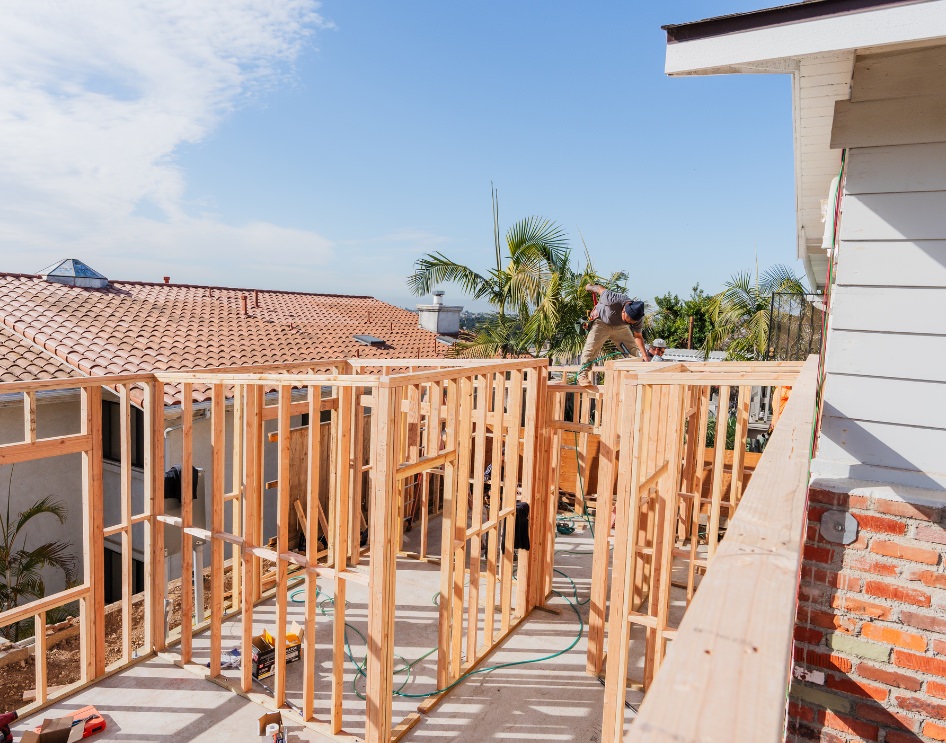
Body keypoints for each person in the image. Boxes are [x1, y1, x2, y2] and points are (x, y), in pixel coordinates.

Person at [576, 284, 648, 384]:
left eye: (630, 323)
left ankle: (635, 374)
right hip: (602, 322)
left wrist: (645, 356)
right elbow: (599, 289)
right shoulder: (612, 298)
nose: (628, 323)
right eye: (626, 320)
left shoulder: (638, 318)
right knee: (591, 348)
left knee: (632, 351)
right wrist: (590, 287)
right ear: (624, 310)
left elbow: (638, 336)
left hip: (620, 328)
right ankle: (582, 375)